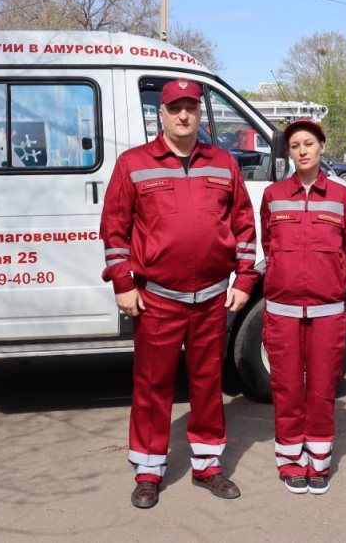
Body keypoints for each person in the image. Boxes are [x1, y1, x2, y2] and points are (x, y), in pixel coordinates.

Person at [100, 78, 259, 509]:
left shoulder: (223, 163)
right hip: (157, 298)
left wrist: (244, 280)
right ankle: (149, 470)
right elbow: (114, 229)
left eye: (190, 107)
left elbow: (243, 226)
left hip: (210, 297)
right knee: (153, 385)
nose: (184, 115)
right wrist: (123, 284)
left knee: (208, 383)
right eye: (175, 108)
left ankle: (208, 466)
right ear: (161, 114)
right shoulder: (134, 163)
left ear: (199, 113)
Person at [260, 119, 346, 495]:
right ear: (288, 151)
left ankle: (318, 460)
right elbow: (269, 244)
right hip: (282, 310)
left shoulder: (342, 196)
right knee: (285, 387)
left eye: (309, 143)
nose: (302, 150)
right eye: (295, 144)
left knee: (321, 388)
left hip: (327, 311)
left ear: (321, 148)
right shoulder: (273, 195)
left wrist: (329, 280)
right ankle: (289, 459)